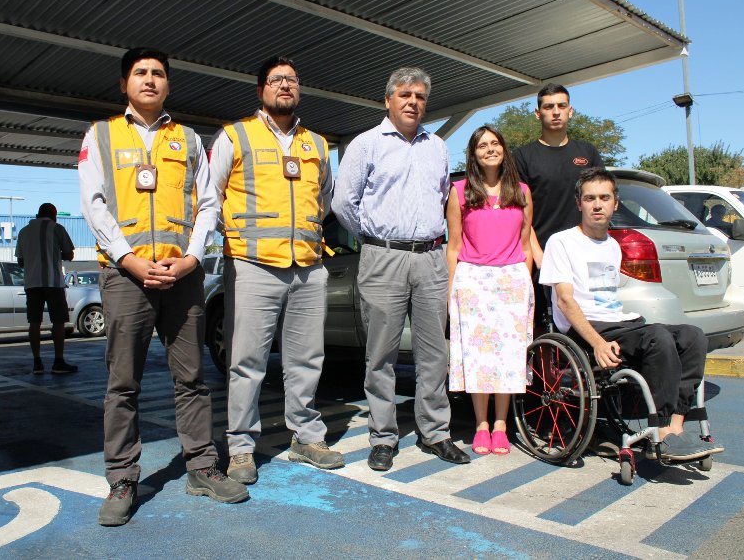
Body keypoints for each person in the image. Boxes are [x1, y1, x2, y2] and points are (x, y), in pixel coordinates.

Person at [79, 47, 248, 527]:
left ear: (168, 84)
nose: (150, 80)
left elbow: (208, 203)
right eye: (140, 73)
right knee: (122, 383)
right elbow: (94, 205)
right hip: (125, 274)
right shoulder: (101, 135)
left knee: (191, 378)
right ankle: (122, 479)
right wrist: (129, 260)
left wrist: (192, 258)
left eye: (158, 74)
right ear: (124, 84)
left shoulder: (190, 139)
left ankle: (201, 467)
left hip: (182, 276)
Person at [209, 56, 344, 485]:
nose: (284, 85)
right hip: (252, 264)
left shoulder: (318, 145)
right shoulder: (235, 136)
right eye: (275, 80)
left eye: (291, 80)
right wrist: (237, 242)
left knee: (306, 359)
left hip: (307, 264)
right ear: (261, 91)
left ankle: (306, 436)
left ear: (298, 89)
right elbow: (209, 198)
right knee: (246, 361)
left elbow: (324, 201)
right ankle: (242, 448)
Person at [333, 66, 470, 471]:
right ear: (388, 99)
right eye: (405, 95)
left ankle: (436, 433)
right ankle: (382, 437)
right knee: (381, 354)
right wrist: (374, 238)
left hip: (430, 257)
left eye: (420, 97)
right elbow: (343, 203)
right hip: (383, 257)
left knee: (434, 352)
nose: (413, 102)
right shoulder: (366, 144)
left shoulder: (437, 148)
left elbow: (445, 198)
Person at [538, 167, 725, 461]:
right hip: (586, 329)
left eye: (604, 197)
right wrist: (597, 343)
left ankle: (675, 427)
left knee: (693, 336)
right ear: (579, 204)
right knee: (658, 339)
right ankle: (660, 432)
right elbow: (564, 301)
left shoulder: (612, 245)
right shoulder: (561, 242)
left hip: (619, 323)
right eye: (589, 198)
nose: (597, 204)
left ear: (615, 202)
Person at [446, 126, 534, 456]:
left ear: (503, 150)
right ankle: (481, 424)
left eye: (495, 143)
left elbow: (525, 245)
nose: (490, 149)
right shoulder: (459, 191)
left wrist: (524, 285)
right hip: (473, 281)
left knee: (508, 357)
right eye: (482, 145)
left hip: (511, 282)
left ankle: (501, 424)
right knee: (479, 357)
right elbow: (453, 246)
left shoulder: (522, 192)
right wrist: (451, 291)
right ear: (474, 154)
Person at [514, 83, 604, 329]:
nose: (556, 112)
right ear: (538, 113)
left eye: (561, 106)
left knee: (590, 326)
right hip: (543, 259)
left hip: (584, 257)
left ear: (570, 111)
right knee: (544, 331)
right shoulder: (523, 157)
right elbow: (520, 212)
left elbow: (601, 202)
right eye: (549, 106)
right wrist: (540, 256)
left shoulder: (588, 153)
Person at [15, 202, 78, 374]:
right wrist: (55, 253)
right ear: (54, 215)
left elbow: (20, 261)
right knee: (58, 322)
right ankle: (58, 361)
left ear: (37, 214)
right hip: (54, 283)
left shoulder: (24, 232)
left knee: (34, 323)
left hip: (32, 283)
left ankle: (37, 363)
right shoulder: (57, 229)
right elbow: (70, 255)